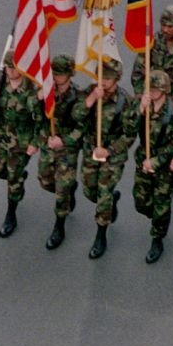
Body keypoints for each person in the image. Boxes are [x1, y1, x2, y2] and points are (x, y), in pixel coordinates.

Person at [125, 70, 173, 264]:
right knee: (141, 202)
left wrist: (157, 161)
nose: (152, 92)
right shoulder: (142, 106)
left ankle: (157, 238)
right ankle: (156, 219)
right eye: (149, 89)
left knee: (161, 205)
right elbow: (128, 130)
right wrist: (139, 111)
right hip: (143, 160)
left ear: (165, 90)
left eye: (156, 89)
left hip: (162, 165)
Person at [0, 50, 44, 238]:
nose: (10, 71)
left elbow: (40, 120)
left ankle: (11, 213)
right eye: (8, 67)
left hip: (20, 141)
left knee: (13, 178)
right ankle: (16, 177)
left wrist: (35, 142)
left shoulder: (32, 88)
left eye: (14, 68)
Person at [75, 57, 133, 259]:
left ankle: (101, 234)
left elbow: (129, 134)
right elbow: (75, 116)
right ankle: (109, 204)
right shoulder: (89, 92)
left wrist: (109, 150)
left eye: (108, 78)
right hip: (91, 151)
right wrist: (91, 100)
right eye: (101, 77)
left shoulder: (125, 102)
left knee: (104, 193)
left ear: (117, 79)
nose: (104, 82)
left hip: (112, 156)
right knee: (90, 190)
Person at [35, 54, 87, 250]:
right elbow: (32, 113)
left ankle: (59, 225)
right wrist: (38, 99)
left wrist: (64, 141)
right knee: (45, 180)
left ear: (70, 75)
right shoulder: (46, 92)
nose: (57, 77)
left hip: (67, 148)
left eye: (61, 74)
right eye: (54, 74)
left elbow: (82, 127)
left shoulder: (78, 96)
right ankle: (69, 188)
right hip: (48, 144)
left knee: (61, 190)